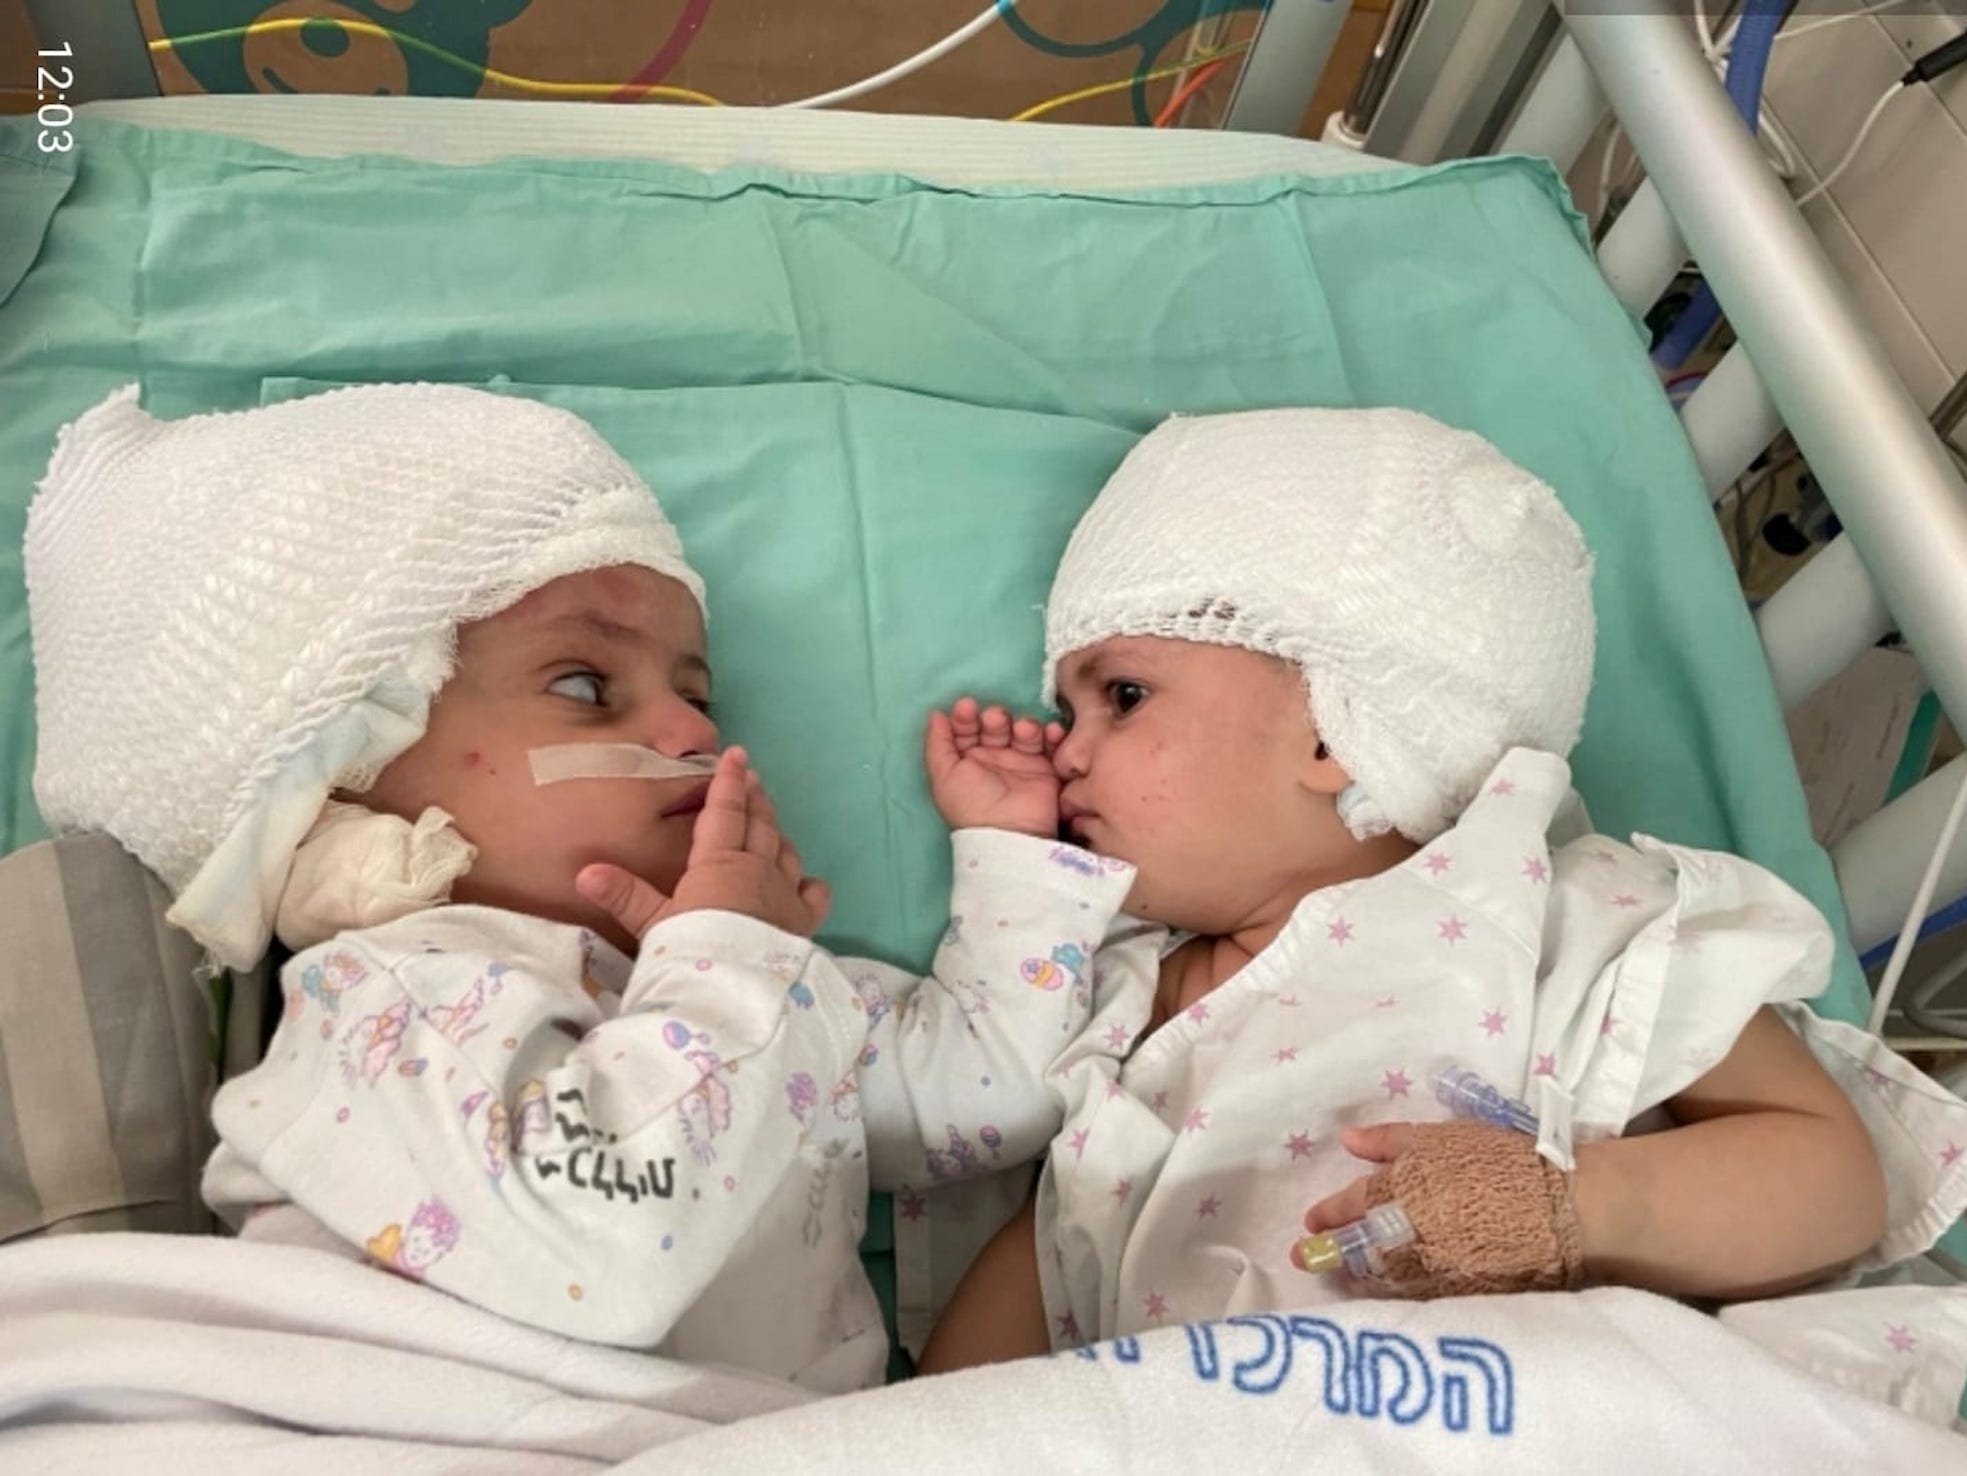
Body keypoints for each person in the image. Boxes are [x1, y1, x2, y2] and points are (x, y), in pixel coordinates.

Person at [24, 383, 1138, 1393]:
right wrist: (732, 958)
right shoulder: (392, 998)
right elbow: (602, 1253)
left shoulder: (760, 981)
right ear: (341, 778)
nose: (694, 732)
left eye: (701, 696)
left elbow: (992, 1092)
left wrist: (1008, 855)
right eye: (582, 685)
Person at [910, 406, 1914, 1374]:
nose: (1066, 750)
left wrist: (1575, 1209)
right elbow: (1050, 1246)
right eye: (1067, 707)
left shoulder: (1563, 917)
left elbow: (1830, 1181)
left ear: (1335, 725)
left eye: (1120, 695)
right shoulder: (1120, 987)